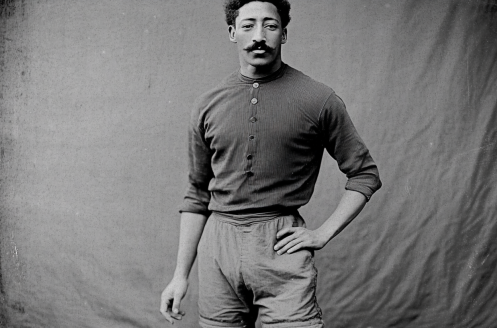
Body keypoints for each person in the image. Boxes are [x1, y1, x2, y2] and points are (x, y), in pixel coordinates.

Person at [160, 1, 381, 327]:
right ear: (233, 32)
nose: (259, 36)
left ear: (285, 33)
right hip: (217, 248)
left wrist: (322, 234)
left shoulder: (318, 99)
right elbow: (196, 193)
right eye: (248, 25)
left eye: (270, 25)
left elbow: (364, 174)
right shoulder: (207, 105)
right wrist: (180, 276)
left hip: (280, 244)